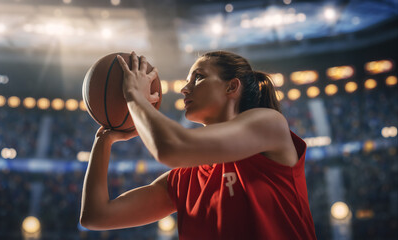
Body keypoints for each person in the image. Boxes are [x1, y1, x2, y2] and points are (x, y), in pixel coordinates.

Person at [80, 51, 317, 239]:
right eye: (187, 81)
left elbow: (170, 149)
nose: (185, 88)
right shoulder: (183, 180)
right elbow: (96, 216)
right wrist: (104, 140)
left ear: (231, 87)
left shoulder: (269, 124)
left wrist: (134, 95)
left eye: (199, 77)